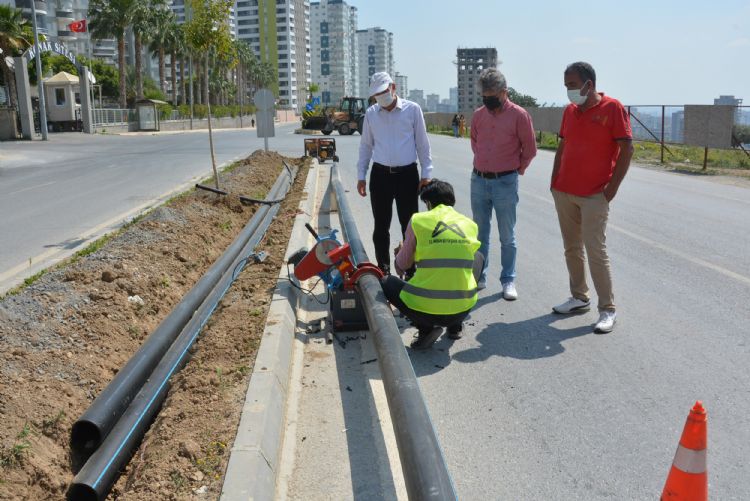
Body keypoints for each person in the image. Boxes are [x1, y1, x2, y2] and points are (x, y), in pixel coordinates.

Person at [550, 61, 634, 333]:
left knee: (596, 251)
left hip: (594, 194)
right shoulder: (570, 111)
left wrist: (611, 189)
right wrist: (554, 181)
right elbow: (562, 145)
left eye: (572, 85)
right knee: (571, 248)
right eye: (566, 86)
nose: (569, 91)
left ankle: (607, 309)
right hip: (565, 191)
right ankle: (579, 297)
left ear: (589, 84)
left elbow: (627, 149)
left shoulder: (612, 108)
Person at [382, 179, 482, 350]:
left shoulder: (418, 220)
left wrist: (399, 253)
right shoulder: (470, 225)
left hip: (425, 309)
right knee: (478, 257)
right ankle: (455, 326)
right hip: (461, 308)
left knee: (386, 282)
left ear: (428, 202)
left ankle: (425, 329)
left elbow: (403, 265)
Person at [357, 72, 433, 276]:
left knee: (409, 226)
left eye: (383, 91)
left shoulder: (412, 110)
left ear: (393, 87)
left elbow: (423, 145)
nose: (380, 97)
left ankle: (410, 270)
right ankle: (384, 271)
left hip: (407, 175)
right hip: (380, 175)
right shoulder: (371, 114)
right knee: (380, 226)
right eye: (376, 94)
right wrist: (361, 175)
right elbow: (366, 146)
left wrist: (426, 172)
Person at [470, 68, 537, 300]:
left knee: (507, 235)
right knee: (479, 234)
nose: (488, 100)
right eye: (484, 96)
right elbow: (475, 143)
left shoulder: (519, 115)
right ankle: (479, 277)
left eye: (492, 96)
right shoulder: (479, 115)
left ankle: (508, 280)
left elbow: (529, 149)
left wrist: (516, 170)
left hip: (505, 182)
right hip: (479, 180)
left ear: (504, 92)